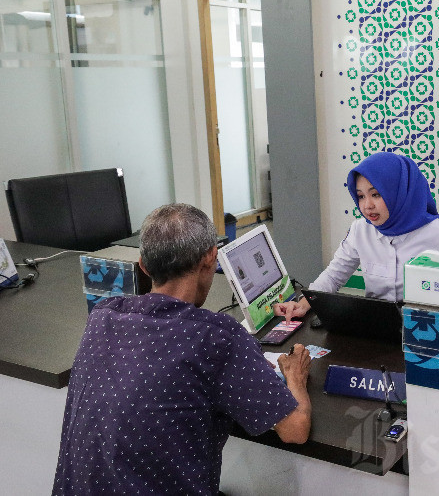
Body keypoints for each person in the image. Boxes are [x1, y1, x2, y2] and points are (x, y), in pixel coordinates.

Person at [52, 204, 312, 496]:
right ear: (211, 258)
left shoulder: (102, 316)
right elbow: (295, 429)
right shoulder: (217, 338)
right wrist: (295, 378)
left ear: (143, 266)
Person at [275, 152, 439, 318]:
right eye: (361, 196)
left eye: (376, 194)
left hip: (426, 330)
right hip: (377, 328)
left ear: (398, 192)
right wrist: (304, 304)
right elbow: (334, 276)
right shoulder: (360, 230)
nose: (367, 206)